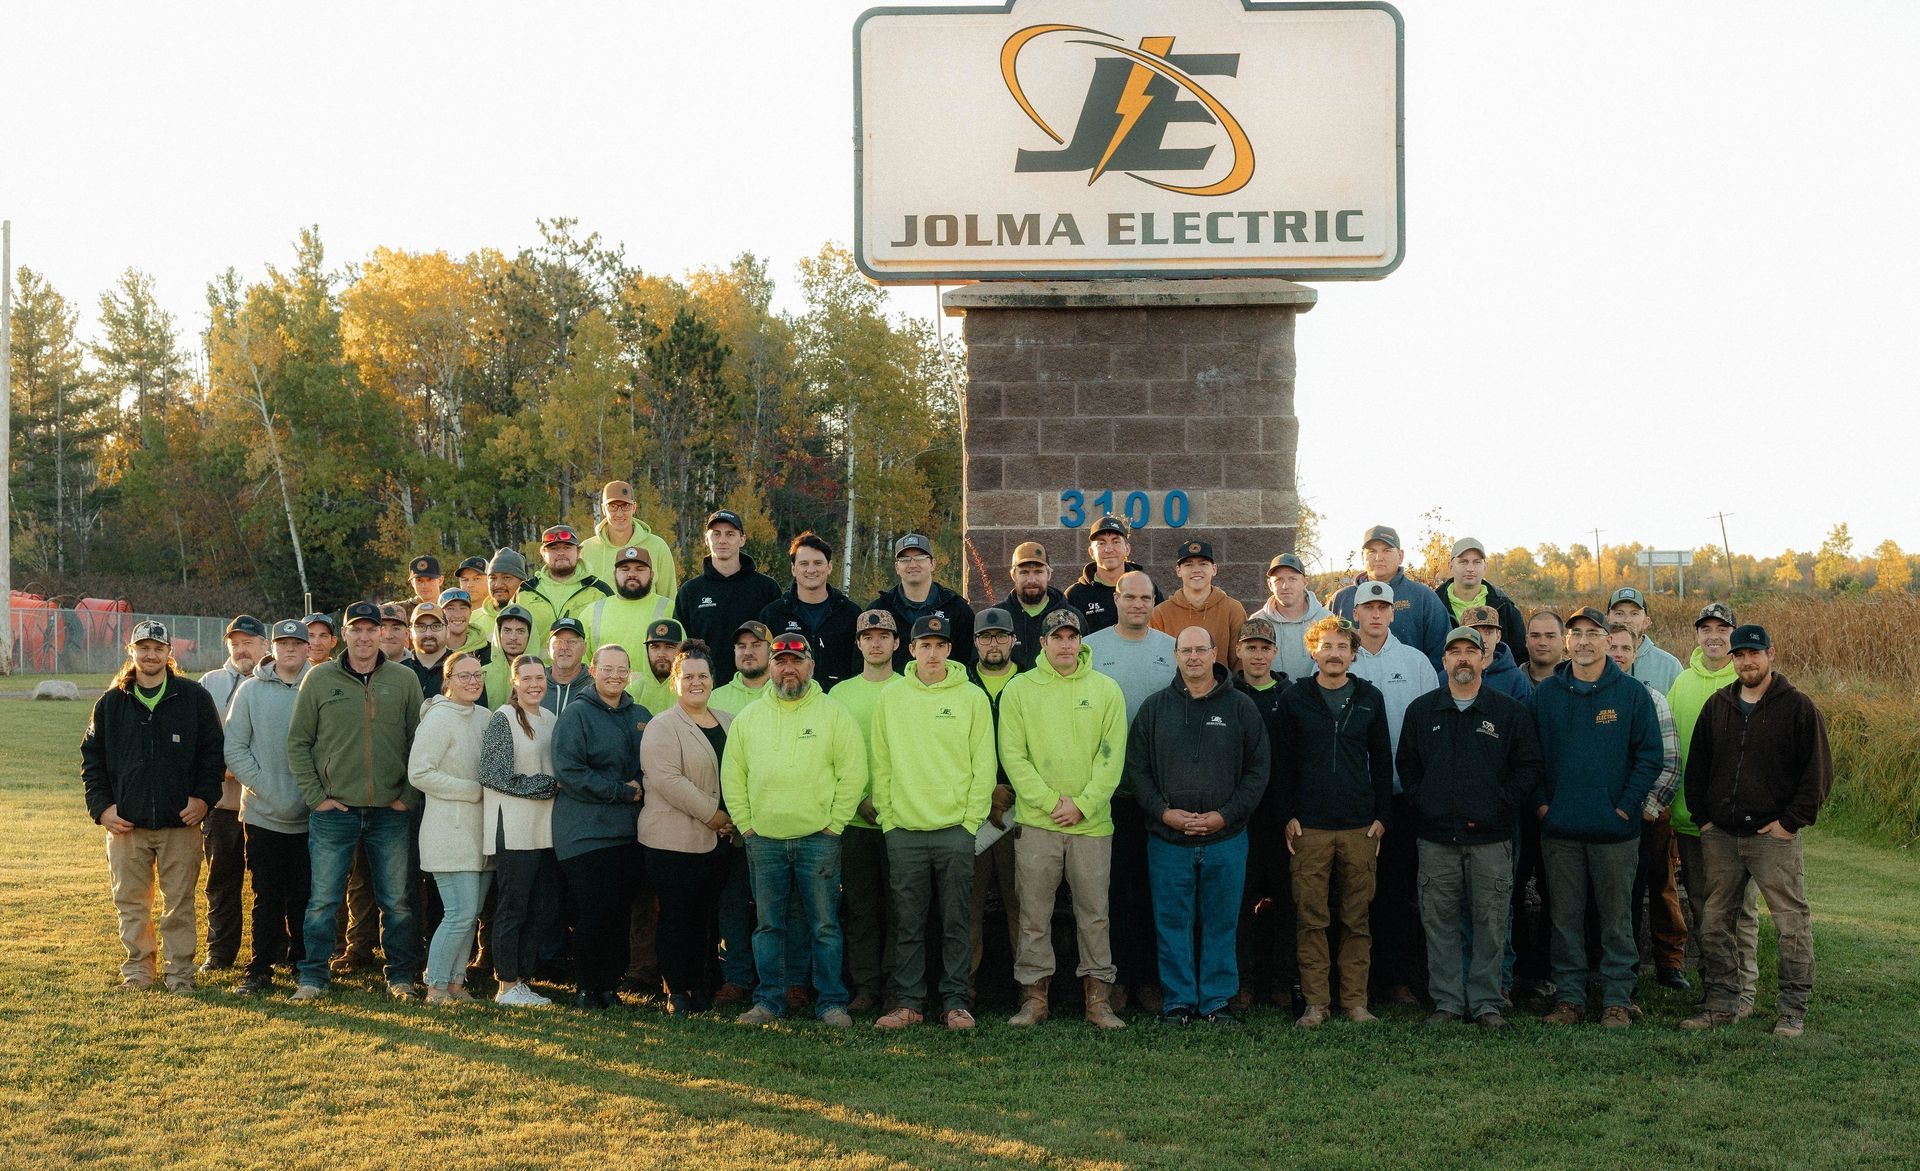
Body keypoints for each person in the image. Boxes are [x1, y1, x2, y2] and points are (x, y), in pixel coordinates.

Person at [1679, 624, 1833, 1038]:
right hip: (1721, 837)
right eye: (1740, 655)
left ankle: (1792, 1009)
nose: (1747, 662)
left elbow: (1817, 775)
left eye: (1755, 654)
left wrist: (1788, 825)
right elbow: (1696, 770)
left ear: (1771, 655)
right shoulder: (1718, 706)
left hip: (1773, 839)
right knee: (1714, 922)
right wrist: (1704, 819)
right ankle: (1723, 1003)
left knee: (1791, 924)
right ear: (1732, 659)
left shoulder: (1798, 708)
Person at [1397, 627, 1544, 1030]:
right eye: (1454, 652)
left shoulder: (1508, 712)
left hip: (1491, 840)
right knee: (1440, 922)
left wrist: (1499, 804)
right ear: (1443, 661)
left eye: (1470, 651)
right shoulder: (1422, 711)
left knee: (1491, 923)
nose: (1462, 658)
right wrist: (1425, 802)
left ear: (1484, 659)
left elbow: (1528, 766)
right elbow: (1407, 766)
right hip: (1436, 839)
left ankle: (1486, 1002)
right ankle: (1447, 1002)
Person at [721, 634, 866, 1028]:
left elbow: (853, 773)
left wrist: (835, 823)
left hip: (818, 839)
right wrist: (748, 824)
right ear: (770, 667)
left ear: (811, 666)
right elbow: (733, 774)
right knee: (769, 925)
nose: (789, 669)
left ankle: (831, 1002)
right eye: (781, 661)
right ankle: (768, 1000)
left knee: (823, 925)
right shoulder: (750, 718)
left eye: (797, 662)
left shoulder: (833, 714)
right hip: (763, 839)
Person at [1127, 626, 1270, 1026]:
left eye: (1200, 649)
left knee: (1221, 922)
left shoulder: (1241, 708)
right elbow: (1137, 770)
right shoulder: (1155, 708)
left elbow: (1258, 771)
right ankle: (1177, 1001)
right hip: (1167, 838)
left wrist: (1226, 814)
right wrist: (1164, 812)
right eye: (1185, 650)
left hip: (1226, 836)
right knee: (1172, 921)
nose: (1193, 657)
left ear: (1214, 653)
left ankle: (1216, 1001)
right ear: (1175, 655)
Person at [287, 601, 426, 1001]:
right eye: (356, 630)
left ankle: (400, 977)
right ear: (342, 635)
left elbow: (420, 742)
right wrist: (317, 797)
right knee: (323, 900)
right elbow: (298, 743)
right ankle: (312, 978)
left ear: (382, 633)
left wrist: (407, 796)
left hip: (390, 812)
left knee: (397, 901)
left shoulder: (403, 679)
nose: (364, 637)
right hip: (335, 811)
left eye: (371, 629)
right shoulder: (318, 679)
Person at [1532, 607, 1664, 1028]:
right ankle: (1569, 998)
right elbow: (1529, 757)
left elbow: (1649, 756)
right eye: (1577, 635)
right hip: (1561, 831)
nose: (1585, 641)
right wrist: (1542, 805)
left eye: (1594, 633)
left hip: (1615, 832)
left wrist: (1625, 806)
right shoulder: (1548, 695)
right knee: (1565, 918)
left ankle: (1617, 1000)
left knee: (1616, 919)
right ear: (1567, 643)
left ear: (1610, 641)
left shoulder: (1630, 694)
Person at [998, 606, 1129, 1030]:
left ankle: (1098, 999)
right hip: (1037, 823)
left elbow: (1112, 756)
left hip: (1092, 825)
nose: (1066, 644)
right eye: (1058, 637)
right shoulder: (1020, 690)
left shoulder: (1107, 689)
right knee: (1033, 914)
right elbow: (1013, 755)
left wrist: (1084, 804)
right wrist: (1050, 801)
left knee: (1095, 914)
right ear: (1042, 643)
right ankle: (1034, 997)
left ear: (1081, 642)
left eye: (1073, 637)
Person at [869, 614, 998, 1030]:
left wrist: (969, 822)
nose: (932, 652)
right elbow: (881, 763)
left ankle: (956, 1002)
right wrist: (889, 820)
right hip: (904, 830)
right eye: (924, 645)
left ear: (949, 649)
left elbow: (984, 766)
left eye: (939, 645)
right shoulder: (892, 697)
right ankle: (908, 1002)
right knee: (907, 921)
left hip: (955, 831)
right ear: (911, 649)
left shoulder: (971, 697)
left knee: (956, 920)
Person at [82, 620, 225, 992]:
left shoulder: (193, 698)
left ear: (169, 655)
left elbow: (213, 755)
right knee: (131, 904)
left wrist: (204, 799)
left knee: (179, 904)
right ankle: (138, 973)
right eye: (143, 648)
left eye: (158, 649)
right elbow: (92, 762)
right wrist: (102, 809)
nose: (150, 655)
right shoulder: (111, 704)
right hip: (126, 825)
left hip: (181, 824)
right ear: (131, 652)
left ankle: (180, 975)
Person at [1276, 615, 1392, 1027]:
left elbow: (1381, 760)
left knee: (1356, 917)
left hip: (1360, 825)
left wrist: (1382, 816)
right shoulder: (1295, 698)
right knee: (1311, 917)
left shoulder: (1369, 698)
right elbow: (1283, 763)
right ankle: (1316, 1003)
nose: (1334, 654)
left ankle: (1355, 1001)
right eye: (1327, 646)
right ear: (1313, 651)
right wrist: (1287, 813)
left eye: (1342, 647)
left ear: (1354, 654)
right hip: (1310, 827)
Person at [1084, 569, 1177, 1014]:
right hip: (1109, 792)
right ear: (1116, 598)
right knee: (1116, 891)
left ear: (1153, 602)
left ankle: (1151, 982)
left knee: (1155, 890)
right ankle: (1117, 980)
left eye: (1146, 597)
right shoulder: (1092, 647)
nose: (1138, 604)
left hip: (1160, 793)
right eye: (1130, 596)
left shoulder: (1171, 649)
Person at [1347, 578, 1439, 1007]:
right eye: (1369, 607)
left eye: (1383, 608)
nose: (1377, 614)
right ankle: (1357, 981)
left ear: (1392, 614)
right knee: (1354, 892)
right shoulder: (1339, 658)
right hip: (1355, 795)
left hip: (1404, 797)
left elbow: (1430, 729)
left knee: (1399, 891)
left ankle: (1399, 978)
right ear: (1356, 613)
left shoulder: (1417, 662)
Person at [1666, 602, 1759, 1010]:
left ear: (1734, 636)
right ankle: (1715, 987)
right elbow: (1669, 749)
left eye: (1723, 629)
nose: (1714, 636)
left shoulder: (1748, 682)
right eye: (1706, 629)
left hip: (1738, 824)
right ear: (1697, 635)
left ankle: (1745, 990)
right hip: (1690, 820)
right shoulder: (1682, 683)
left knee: (1740, 910)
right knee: (1705, 910)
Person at [638, 643, 736, 1015]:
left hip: (719, 840)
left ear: (713, 679)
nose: (697, 682)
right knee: (678, 916)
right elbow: (667, 779)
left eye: (703, 676)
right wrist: (714, 815)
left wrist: (732, 819)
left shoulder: (728, 721)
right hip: (672, 840)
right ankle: (677, 990)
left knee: (706, 917)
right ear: (675, 681)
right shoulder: (662, 725)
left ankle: (702, 986)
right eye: (688, 676)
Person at [550, 645, 648, 1009]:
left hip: (629, 832)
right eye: (607, 669)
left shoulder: (640, 714)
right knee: (595, 910)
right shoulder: (576, 714)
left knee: (619, 910)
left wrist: (638, 783)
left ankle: (610, 985)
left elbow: (651, 760)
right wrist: (621, 791)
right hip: (585, 833)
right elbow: (570, 772)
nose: (615, 676)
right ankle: (588, 987)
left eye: (622, 670)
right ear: (592, 670)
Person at [222, 619, 315, 995]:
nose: (290, 649)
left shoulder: (321, 686)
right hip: (263, 814)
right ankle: (259, 968)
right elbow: (235, 749)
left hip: (313, 813)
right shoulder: (250, 692)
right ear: (271, 648)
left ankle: (302, 962)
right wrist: (267, 790)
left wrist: (313, 794)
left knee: (306, 896)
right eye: (283, 643)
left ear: (308, 648)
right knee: (267, 895)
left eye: (297, 643)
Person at [820, 609, 904, 1013]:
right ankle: (865, 988)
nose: (876, 643)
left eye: (883, 636)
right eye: (868, 637)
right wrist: (857, 800)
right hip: (853, 821)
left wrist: (885, 802)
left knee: (900, 909)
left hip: (902, 819)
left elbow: (915, 758)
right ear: (858, 644)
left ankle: (895, 989)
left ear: (896, 643)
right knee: (860, 909)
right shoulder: (840, 696)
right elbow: (830, 757)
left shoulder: (912, 690)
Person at [409, 650, 494, 1005]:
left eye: (477, 675)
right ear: (448, 681)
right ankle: (436, 986)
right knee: (458, 914)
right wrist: (471, 791)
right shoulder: (438, 718)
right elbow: (419, 773)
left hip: (481, 834)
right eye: (464, 675)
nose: (473, 681)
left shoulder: (486, 717)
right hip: (449, 832)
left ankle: (457, 985)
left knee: (470, 915)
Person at [478, 654, 562, 1008]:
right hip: (512, 827)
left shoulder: (550, 718)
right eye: (526, 678)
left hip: (544, 828)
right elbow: (493, 774)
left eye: (539, 678)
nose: (534, 684)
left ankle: (522, 981)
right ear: (514, 682)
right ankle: (506, 985)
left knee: (542, 906)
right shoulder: (504, 718)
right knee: (513, 906)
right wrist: (547, 785)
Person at [1605, 624, 1685, 993]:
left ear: (1635, 652)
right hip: (1592, 819)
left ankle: (1633, 974)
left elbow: (1668, 759)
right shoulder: (1579, 695)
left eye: (1626, 647)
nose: (1618, 653)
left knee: (1636, 895)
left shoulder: (1651, 699)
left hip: (1638, 818)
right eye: (1613, 646)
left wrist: (1649, 807)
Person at [197, 613, 270, 973]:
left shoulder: (278, 679)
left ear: (264, 644)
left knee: (270, 882)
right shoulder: (209, 683)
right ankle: (221, 952)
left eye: (249, 642)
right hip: (223, 803)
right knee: (222, 881)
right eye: (235, 643)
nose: (242, 650)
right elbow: (200, 739)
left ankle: (274, 950)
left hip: (266, 801)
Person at [1230, 617, 1296, 1014]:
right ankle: (1243, 984)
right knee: (1239, 904)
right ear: (1238, 651)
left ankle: (1281, 983)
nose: (1257, 655)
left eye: (1264, 648)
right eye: (1250, 647)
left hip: (1282, 818)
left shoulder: (1291, 697)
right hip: (1239, 818)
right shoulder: (1226, 695)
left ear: (1274, 652)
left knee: (1287, 903)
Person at [965, 607, 1023, 998]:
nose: (994, 643)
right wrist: (985, 793)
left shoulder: (1033, 681)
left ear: (1014, 640)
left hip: (1023, 807)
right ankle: (963, 990)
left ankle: (1030, 988)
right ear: (975, 643)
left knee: (1023, 904)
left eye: (1001, 636)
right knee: (968, 905)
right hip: (972, 810)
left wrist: (1011, 791)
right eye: (986, 637)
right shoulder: (960, 684)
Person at [674, 509, 782, 686]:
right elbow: (681, 649)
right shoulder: (690, 592)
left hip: (758, 689)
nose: (722, 540)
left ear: (742, 539)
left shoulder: (766, 588)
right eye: (716, 534)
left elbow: (778, 643)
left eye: (730, 534)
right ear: (706, 539)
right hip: (707, 689)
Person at [1329, 525, 1450, 670]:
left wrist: (1420, 683)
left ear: (1400, 556)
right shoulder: (1341, 599)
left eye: (1386, 550)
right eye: (1372, 551)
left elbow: (1442, 652)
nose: (1379, 557)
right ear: (1362, 556)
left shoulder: (1423, 597)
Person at [760, 531, 862, 691]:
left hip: (838, 703)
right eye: (804, 563)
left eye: (818, 563)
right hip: (787, 703)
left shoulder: (850, 614)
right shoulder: (773, 614)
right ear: (793, 569)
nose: (811, 569)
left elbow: (859, 665)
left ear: (829, 567)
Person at [869, 532, 976, 672]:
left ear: (932, 564)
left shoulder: (956, 608)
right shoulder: (880, 610)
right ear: (897, 567)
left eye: (920, 558)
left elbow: (969, 660)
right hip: (893, 691)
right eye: (905, 559)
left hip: (942, 690)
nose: (912, 564)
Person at [1150, 539, 1248, 673]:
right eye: (1188, 565)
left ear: (1214, 569)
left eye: (1203, 564)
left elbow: (1240, 662)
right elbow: (1155, 663)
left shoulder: (1233, 609)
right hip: (1174, 691)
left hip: (1221, 690)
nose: (1196, 570)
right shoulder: (1160, 614)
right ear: (1178, 571)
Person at [579, 479, 679, 599]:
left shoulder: (658, 546)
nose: (620, 514)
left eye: (625, 506)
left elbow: (670, 598)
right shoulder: (586, 549)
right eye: (613, 507)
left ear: (634, 507)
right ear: (603, 509)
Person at [1064, 515, 1161, 633]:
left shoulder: (1147, 588)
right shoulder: (1075, 595)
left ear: (1127, 549)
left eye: (1115, 542)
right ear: (1091, 552)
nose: (1109, 549)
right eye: (1101, 543)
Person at [521, 524, 614, 646]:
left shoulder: (599, 591)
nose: (560, 553)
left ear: (578, 552)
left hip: (585, 665)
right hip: (535, 665)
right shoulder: (526, 591)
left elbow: (614, 633)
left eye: (567, 547)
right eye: (553, 548)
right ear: (543, 554)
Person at [585, 544, 674, 669]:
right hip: (605, 687)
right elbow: (581, 661)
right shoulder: (592, 611)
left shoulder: (671, 609)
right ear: (614, 574)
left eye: (640, 569)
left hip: (654, 689)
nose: (632, 574)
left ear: (652, 574)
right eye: (625, 569)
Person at [1433, 538, 1527, 655]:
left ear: (1485, 566)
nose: (1470, 568)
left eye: (1477, 562)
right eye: (1463, 562)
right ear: (1450, 565)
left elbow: (1520, 656)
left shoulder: (1504, 607)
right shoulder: (1433, 605)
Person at [1248, 553, 1329, 684]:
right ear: (1270, 584)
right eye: (1279, 580)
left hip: (1315, 700)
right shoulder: (1257, 622)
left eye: (1292, 579)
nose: (1285, 586)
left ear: (1305, 582)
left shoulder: (1326, 620)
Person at [999, 541, 1069, 673]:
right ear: (1013, 575)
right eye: (1024, 572)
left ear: (1048, 575)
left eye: (1038, 572)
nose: (1031, 580)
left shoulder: (1070, 617)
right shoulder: (999, 617)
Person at [1606, 587, 1682, 693]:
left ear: (1646, 621)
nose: (1627, 620)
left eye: (1634, 613)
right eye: (1619, 613)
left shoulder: (1669, 666)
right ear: (1607, 619)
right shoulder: (1595, 661)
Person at [1461, 604, 1531, 702]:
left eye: (1488, 632)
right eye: (1474, 633)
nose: (1482, 639)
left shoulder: (1516, 679)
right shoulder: (1449, 676)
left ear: (1498, 636)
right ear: (1461, 636)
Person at [710, 620, 774, 713]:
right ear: (735, 651)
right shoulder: (714, 699)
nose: (748, 652)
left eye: (756, 645)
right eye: (742, 646)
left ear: (770, 652)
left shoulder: (785, 693)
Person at [481, 604, 536, 709]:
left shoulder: (544, 673)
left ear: (530, 635)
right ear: (498, 634)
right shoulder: (482, 674)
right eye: (507, 630)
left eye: (520, 631)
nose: (513, 637)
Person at [631, 618, 685, 715]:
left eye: (669, 647)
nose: (661, 654)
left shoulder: (693, 689)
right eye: (655, 647)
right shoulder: (631, 692)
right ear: (646, 650)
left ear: (682, 651)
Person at [541, 617, 593, 715]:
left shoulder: (595, 688)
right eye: (557, 642)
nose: (564, 647)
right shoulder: (535, 685)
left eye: (572, 642)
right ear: (548, 648)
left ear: (584, 647)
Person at [403, 602, 454, 699]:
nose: (428, 634)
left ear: (447, 631)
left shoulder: (463, 669)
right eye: (421, 627)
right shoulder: (399, 671)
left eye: (436, 626)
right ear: (409, 633)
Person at [453, 558, 496, 651]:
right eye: (465, 580)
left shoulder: (499, 613)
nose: (470, 584)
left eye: (476, 579)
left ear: (490, 579)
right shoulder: (452, 616)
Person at [1520, 609, 1565, 688]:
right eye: (1535, 636)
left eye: (1550, 636)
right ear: (1526, 640)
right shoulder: (1511, 682)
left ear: (1563, 642)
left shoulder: (1580, 682)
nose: (1542, 643)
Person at [439, 588, 490, 657]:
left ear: (470, 613)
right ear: (439, 614)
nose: (457, 615)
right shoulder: (431, 651)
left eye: (463, 608)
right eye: (450, 608)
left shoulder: (489, 652)